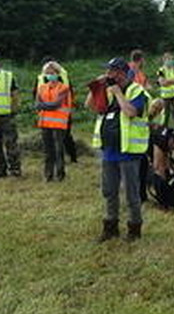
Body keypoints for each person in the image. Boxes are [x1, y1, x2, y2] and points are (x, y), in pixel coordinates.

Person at [87, 57, 149, 242]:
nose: (108, 74)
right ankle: (110, 227)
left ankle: (134, 229)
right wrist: (96, 87)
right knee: (109, 191)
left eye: (111, 71)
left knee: (131, 193)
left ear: (121, 73)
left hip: (129, 151)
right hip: (109, 151)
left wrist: (118, 93)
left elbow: (130, 112)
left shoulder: (137, 91)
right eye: (107, 71)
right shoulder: (108, 91)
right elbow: (90, 106)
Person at [36, 61, 72, 182]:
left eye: (52, 73)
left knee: (58, 150)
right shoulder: (41, 87)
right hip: (45, 123)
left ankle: (60, 174)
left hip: (59, 123)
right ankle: (48, 174)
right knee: (47, 150)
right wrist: (46, 105)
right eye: (47, 73)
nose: (50, 75)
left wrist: (44, 105)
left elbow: (56, 104)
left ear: (57, 73)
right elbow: (37, 104)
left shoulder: (64, 88)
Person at [39, 56, 77, 163]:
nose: (49, 74)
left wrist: (43, 106)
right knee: (54, 141)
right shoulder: (42, 78)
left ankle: (70, 158)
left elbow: (66, 95)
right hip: (47, 116)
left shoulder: (63, 79)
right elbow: (37, 95)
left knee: (64, 138)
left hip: (61, 114)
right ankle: (61, 159)